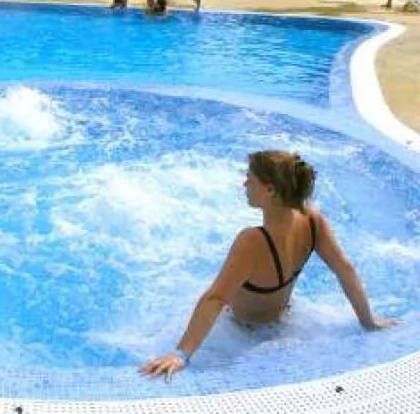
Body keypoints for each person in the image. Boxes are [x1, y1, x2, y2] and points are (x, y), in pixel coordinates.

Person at [139, 150, 399, 382]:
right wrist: (368, 321)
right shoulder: (312, 221)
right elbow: (345, 270)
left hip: (238, 333)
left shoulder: (253, 240)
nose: (244, 183)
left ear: (270, 189)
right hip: (288, 323)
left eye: (250, 178)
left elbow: (215, 298)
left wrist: (181, 354)